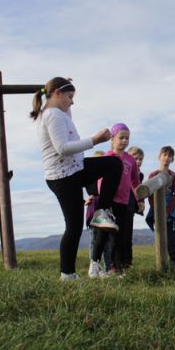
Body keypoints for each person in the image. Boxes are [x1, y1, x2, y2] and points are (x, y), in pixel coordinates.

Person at [30, 77, 122, 281]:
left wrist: (64, 83)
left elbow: (65, 107)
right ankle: (67, 274)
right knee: (73, 226)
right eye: (70, 97)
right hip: (62, 177)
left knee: (114, 164)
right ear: (56, 94)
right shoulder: (52, 115)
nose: (72, 102)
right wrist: (95, 140)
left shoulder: (58, 112)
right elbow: (62, 148)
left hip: (75, 169)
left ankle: (101, 212)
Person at [89, 123, 141, 277]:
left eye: (127, 138)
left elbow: (135, 182)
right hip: (107, 202)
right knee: (102, 234)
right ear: (112, 138)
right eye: (121, 137)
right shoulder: (107, 157)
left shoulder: (130, 160)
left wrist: (139, 198)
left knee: (120, 237)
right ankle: (94, 265)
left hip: (123, 202)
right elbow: (98, 179)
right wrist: (98, 197)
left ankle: (117, 269)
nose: (125, 141)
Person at [146, 146, 175, 270]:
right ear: (159, 157)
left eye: (170, 156)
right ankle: (162, 265)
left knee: (171, 240)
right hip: (156, 209)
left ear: (172, 159)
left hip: (170, 210)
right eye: (165, 155)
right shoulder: (153, 174)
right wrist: (157, 210)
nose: (167, 158)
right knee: (160, 237)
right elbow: (149, 194)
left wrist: (167, 211)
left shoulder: (174, 176)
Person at [85, 150, 115, 272]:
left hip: (107, 210)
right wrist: (85, 200)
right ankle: (94, 266)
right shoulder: (90, 178)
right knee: (93, 239)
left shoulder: (108, 178)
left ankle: (108, 267)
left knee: (108, 241)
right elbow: (90, 192)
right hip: (93, 210)